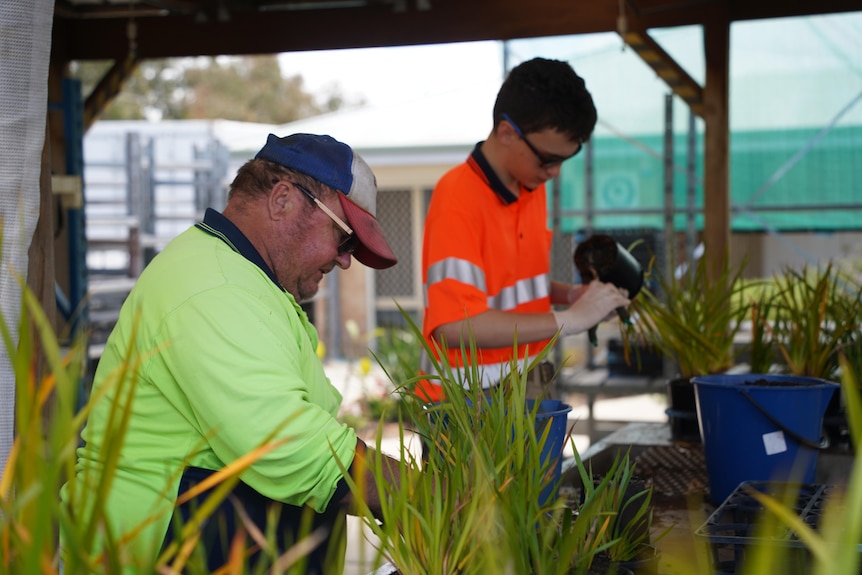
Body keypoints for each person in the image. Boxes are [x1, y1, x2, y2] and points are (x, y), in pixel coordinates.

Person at [61, 133, 403, 574]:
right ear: (283, 200)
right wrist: (421, 492)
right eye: (344, 239)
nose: (344, 261)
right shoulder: (213, 286)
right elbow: (293, 449)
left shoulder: (246, 280)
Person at [418, 57, 631, 402]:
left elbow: (508, 287)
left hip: (525, 381)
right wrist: (569, 319)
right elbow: (453, 327)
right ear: (506, 132)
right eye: (548, 159)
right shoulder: (456, 197)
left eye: (565, 160)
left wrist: (571, 296)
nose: (555, 172)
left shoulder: (531, 187)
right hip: (466, 400)